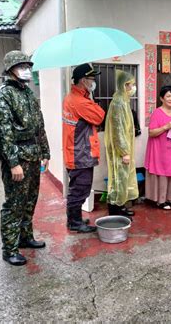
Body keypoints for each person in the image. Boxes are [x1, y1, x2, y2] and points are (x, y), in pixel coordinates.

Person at [0, 51, 50, 266]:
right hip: (18, 158)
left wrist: (45, 153)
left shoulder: (28, 93)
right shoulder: (2, 96)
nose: (26, 69)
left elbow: (39, 126)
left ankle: (25, 237)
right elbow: (3, 133)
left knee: (30, 199)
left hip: (33, 156)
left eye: (27, 65)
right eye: (21, 65)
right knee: (14, 204)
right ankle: (10, 248)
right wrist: (13, 163)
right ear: (10, 70)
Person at [63, 63, 105, 232]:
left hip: (78, 151)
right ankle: (74, 222)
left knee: (80, 188)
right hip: (80, 153)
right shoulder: (78, 101)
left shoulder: (77, 98)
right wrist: (92, 103)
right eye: (91, 79)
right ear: (82, 80)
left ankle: (75, 219)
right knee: (79, 189)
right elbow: (99, 116)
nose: (93, 81)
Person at [144, 85, 171, 210]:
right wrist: (165, 127)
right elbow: (151, 132)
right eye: (168, 96)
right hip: (160, 149)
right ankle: (161, 200)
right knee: (162, 172)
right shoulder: (157, 113)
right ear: (161, 98)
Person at [104, 70, 139, 217]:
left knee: (124, 179)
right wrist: (124, 152)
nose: (132, 88)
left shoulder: (123, 100)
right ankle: (115, 209)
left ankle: (121, 206)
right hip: (120, 150)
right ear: (123, 85)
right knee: (119, 179)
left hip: (124, 149)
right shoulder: (118, 103)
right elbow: (117, 130)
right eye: (130, 85)